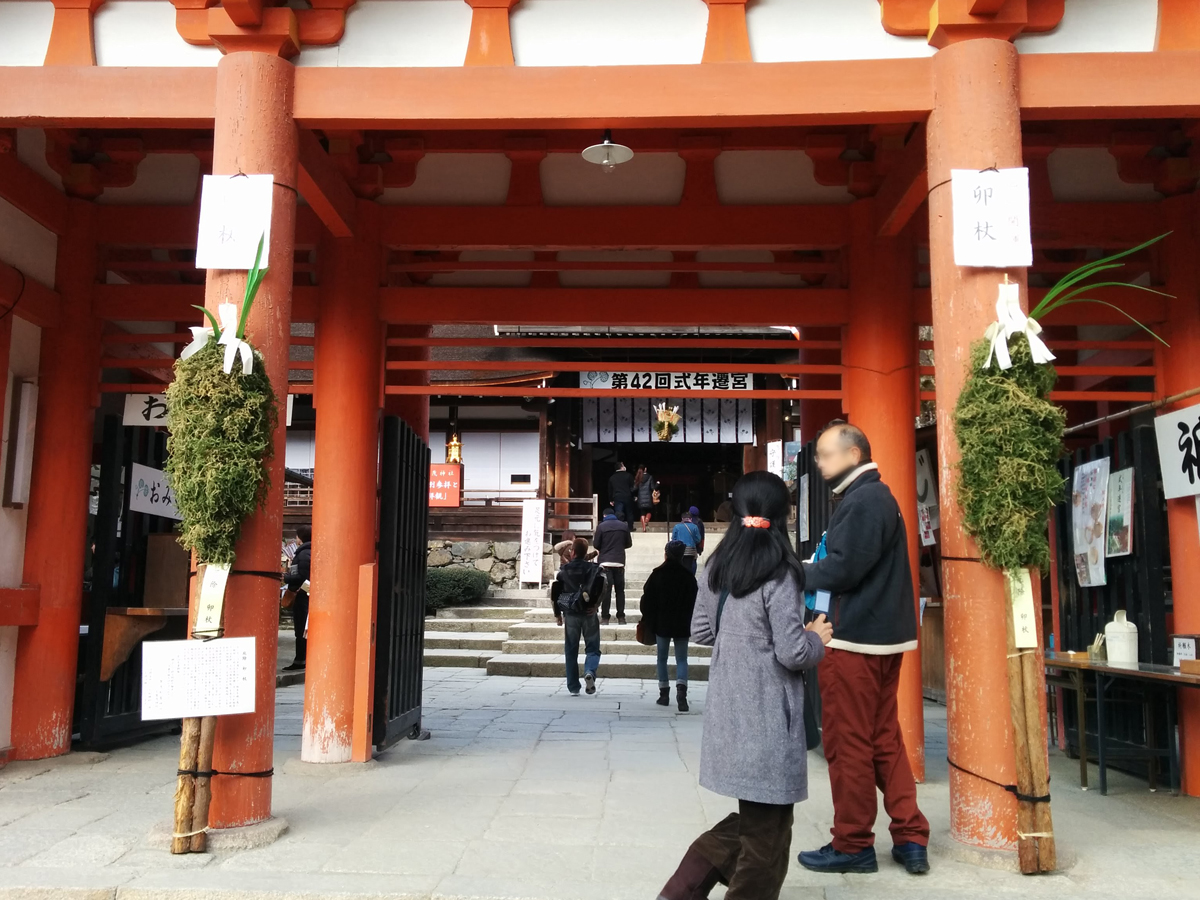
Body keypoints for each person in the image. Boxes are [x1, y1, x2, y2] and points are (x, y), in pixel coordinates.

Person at [659, 471, 832, 900]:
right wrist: (817, 638)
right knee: (767, 837)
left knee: (764, 823)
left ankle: (683, 886)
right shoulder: (781, 570)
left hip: (728, 709)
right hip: (769, 712)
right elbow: (792, 652)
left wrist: (738, 637)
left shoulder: (717, 563)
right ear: (784, 514)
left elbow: (700, 630)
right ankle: (686, 887)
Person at [796, 421, 930, 876]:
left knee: (847, 742)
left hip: (853, 637)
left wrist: (792, 572)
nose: (819, 464)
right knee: (882, 739)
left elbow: (840, 571)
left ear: (853, 455)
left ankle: (852, 842)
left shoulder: (864, 500)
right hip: (883, 635)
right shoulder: (874, 497)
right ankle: (910, 835)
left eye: (825, 455)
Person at [639, 540, 697, 711]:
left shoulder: (658, 574)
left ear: (666, 554)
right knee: (682, 659)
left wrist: (649, 618)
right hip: (682, 623)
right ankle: (682, 693)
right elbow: (695, 601)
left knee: (662, 658)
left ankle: (664, 694)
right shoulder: (688, 577)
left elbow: (646, 600)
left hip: (662, 622)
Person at [554, 537, 606, 696]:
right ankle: (590, 671)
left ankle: (573, 686)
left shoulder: (564, 570)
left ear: (573, 552)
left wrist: (557, 613)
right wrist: (596, 605)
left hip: (570, 613)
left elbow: (556, 591)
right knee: (593, 648)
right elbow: (604, 586)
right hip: (589, 612)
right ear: (585, 553)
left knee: (570, 649)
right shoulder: (595, 569)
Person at [593, 506, 632, 625]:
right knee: (620, 591)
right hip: (619, 562)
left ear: (604, 516)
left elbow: (596, 544)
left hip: (605, 562)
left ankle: (605, 618)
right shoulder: (624, 526)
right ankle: (621, 617)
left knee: (606, 591)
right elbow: (628, 544)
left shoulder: (601, 526)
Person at [282, 525, 311, 671]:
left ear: (301, 538)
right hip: (305, 595)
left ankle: (301, 660)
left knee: (300, 629)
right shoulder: (306, 552)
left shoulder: (304, 554)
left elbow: (303, 576)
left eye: (297, 536)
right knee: (301, 629)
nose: (295, 539)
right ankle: (301, 659)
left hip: (302, 596)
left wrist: (287, 578)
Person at [671, 509, 704, 575]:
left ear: (682, 518)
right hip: (691, 550)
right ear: (690, 518)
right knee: (691, 565)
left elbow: (673, 539)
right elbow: (698, 539)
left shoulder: (677, 527)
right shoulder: (694, 527)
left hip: (680, 550)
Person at [635, 465, 657, 532]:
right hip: (648, 498)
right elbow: (653, 487)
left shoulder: (638, 477)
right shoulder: (650, 477)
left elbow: (634, 488)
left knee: (642, 513)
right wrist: (657, 484)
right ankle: (646, 520)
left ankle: (644, 528)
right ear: (645, 469)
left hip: (641, 498)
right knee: (649, 511)